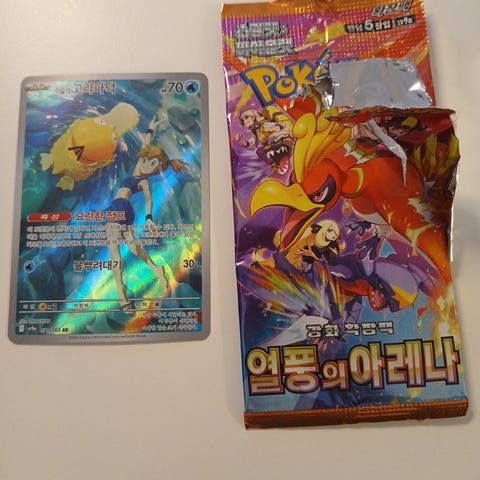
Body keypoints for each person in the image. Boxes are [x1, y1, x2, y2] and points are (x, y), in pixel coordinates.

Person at [108, 116, 187, 308]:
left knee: (114, 251)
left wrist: (149, 218)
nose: (145, 163)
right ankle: (157, 269)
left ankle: (120, 291)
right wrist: (150, 129)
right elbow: (145, 145)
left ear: (157, 169)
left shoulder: (144, 181)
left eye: (152, 164)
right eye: (145, 159)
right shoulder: (137, 172)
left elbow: (149, 200)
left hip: (119, 207)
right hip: (122, 210)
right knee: (134, 249)